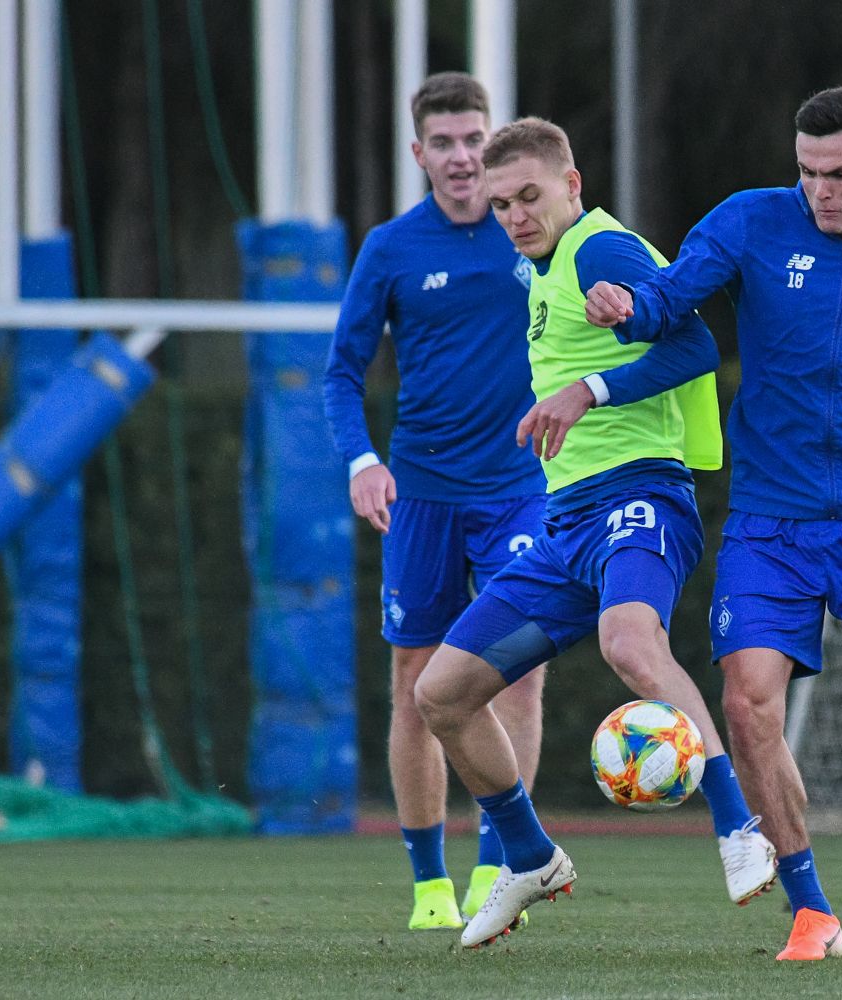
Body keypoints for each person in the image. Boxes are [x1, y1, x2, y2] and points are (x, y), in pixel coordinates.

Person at [585, 86, 842, 962]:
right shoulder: (750, 222)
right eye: (809, 172)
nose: (822, 190)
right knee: (746, 708)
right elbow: (668, 302)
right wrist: (625, 305)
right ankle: (811, 911)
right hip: (768, 526)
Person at [414, 116, 777, 950]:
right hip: (566, 522)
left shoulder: (599, 250)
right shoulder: (536, 269)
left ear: (573, 187)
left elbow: (694, 346)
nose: (514, 213)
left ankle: (736, 827)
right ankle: (531, 855)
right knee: (442, 694)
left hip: (640, 496)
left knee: (629, 642)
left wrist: (590, 392)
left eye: (530, 195)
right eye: (502, 202)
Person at [323, 73, 549, 931]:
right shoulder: (390, 247)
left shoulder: (532, 235)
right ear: (420, 154)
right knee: (416, 683)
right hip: (418, 496)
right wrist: (360, 461)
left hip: (523, 491)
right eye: (445, 143)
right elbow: (343, 372)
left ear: (495, 146)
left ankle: (504, 869)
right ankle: (427, 886)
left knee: (516, 680)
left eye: (474, 140)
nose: (462, 158)